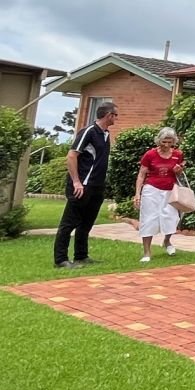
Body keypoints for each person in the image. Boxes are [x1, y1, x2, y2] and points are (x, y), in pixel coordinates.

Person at [53, 101, 119, 269]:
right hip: (82, 186)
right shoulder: (88, 132)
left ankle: (81, 256)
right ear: (108, 115)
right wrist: (76, 182)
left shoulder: (105, 134)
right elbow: (72, 156)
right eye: (115, 115)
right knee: (69, 223)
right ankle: (61, 260)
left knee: (86, 223)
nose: (116, 118)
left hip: (97, 186)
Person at [133, 127, 184, 263]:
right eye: (164, 142)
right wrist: (137, 194)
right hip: (152, 189)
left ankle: (167, 241)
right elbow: (141, 174)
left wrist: (178, 170)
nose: (166, 145)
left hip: (170, 190)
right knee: (149, 219)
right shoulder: (150, 155)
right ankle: (147, 252)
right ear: (159, 141)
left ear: (174, 141)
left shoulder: (178, 154)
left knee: (171, 218)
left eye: (170, 142)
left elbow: (179, 174)